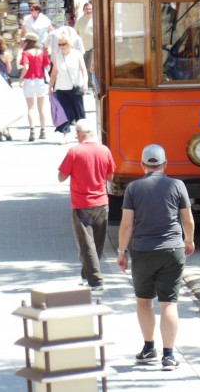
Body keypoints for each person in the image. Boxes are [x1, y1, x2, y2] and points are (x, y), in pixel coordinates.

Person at [116, 144, 195, 371]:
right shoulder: (177, 185)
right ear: (165, 164)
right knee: (169, 303)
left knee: (144, 301)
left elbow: (127, 224)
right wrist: (188, 240)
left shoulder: (133, 188)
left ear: (143, 166)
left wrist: (122, 251)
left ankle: (149, 348)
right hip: (172, 250)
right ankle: (168, 356)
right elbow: (187, 220)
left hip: (143, 252)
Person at [58, 119, 116, 291]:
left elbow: (61, 177)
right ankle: (86, 273)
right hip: (102, 202)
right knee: (96, 243)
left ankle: (96, 281)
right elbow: (110, 177)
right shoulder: (104, 150)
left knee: (86, 243)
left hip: (81, 203)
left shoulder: (74, 152)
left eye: (76, 133)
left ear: (81, 133)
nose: (76, 136)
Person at [48, 32, 88, 141]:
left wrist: (85, 82)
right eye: (59, 44)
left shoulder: (77, 54)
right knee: (63, 113)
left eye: (63, 44)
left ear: (69, 44)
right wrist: (50, 86)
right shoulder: (57, 56)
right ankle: (65, 134)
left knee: (79, 112)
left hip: (75, 87)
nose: (61, 47)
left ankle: (83, 134)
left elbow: (83, 70)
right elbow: (54, 73)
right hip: (61, 88)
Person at [18, 32, 50, 142]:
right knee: (41, 108)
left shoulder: (25, 53)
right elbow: (47, 66)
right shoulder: (41, 53)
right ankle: (43, 130)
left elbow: (25, 67)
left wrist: (20, 78)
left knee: (30, 107)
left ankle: (32, 131)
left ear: (29, 42)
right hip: (40, 80)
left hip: (29, 81)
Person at [75, 3, 94, 90]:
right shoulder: (79, 21)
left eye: (90, 9)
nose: (88, 11)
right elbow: (76, 34)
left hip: (93, 48)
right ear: (83, 10)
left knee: (91, 67)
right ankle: (85, 84)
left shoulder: (96, 19)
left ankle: (91, 85)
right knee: (84, 67)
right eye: (86, 9)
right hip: (82, 48)